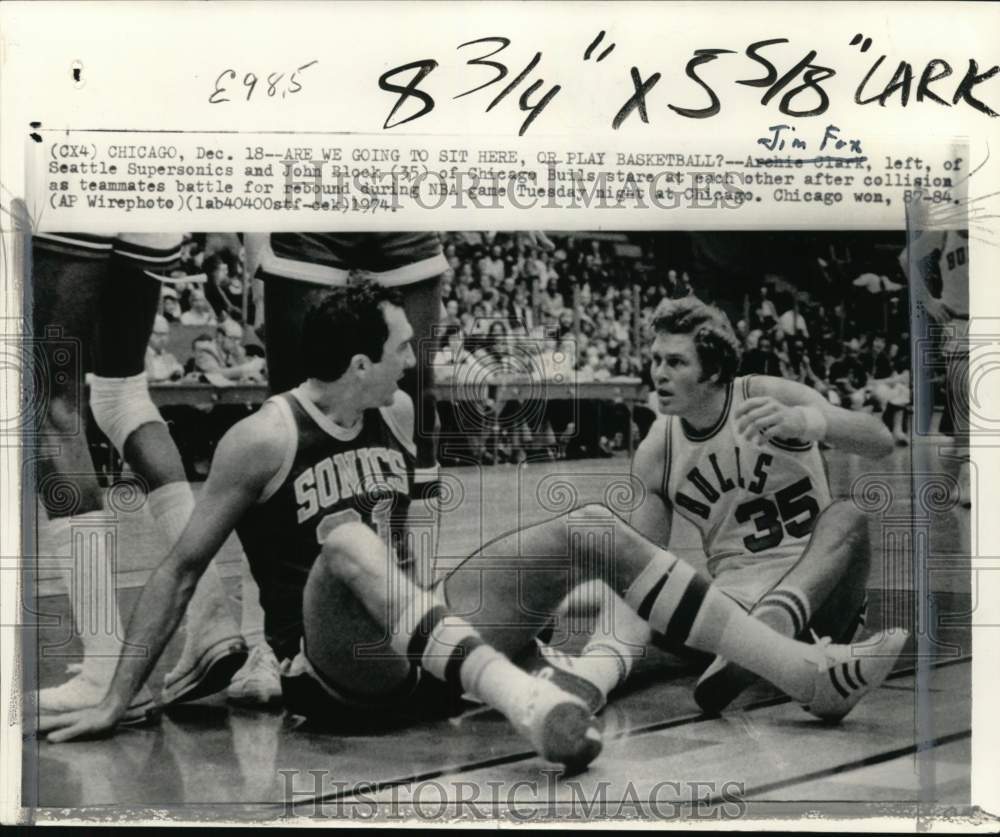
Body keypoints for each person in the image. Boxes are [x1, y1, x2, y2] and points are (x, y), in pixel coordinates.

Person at [40, 283, 907, 765]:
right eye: (401, 349)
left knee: (593, 528)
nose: (415, 357)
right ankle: (528, 704)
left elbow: (412, 556)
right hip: (340, 670)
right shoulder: (261, 436)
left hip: (423, 649)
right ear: (358, 364)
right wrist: (119, 694)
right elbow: (182, 566)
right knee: (345, 535)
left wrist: (510, 616)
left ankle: (804, 672)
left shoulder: (401, 419)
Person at [623, 297, 897, 714]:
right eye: (656, 359)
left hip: (818, 600)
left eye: (676, 363)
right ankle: (757, 648)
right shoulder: (657, 450)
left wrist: (806, 422)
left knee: (848, 514)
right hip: (733, 608)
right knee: (651, 593)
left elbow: (879, 440)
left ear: (712, 370)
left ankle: (770, 630)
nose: (659, 373)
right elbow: (643, 563)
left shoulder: (768, 394)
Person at [30, 232, 246, 720]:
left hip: (69, 182)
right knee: (122, 392)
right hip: (143, 197)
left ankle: (105, 666)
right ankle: (209, 615)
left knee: (46, 401)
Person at [899, 228, 971, 506]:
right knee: (964, 397)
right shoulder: (944, 233)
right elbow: (906, 258)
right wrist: (927, 300)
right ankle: (967, 474)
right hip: (958, 321)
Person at [145, 315, 184, 383]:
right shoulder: (139, 356)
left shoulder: (169, 357)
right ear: (148, 333)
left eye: (166, 334)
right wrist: (167, 376)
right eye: (159, 334)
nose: (163, 339)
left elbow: (178, 371)